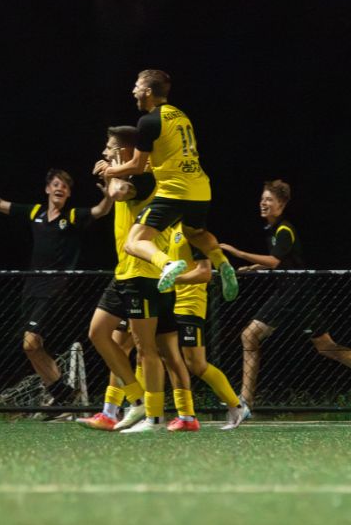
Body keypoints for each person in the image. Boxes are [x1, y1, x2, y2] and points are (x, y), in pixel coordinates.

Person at [77, 126, 197, 433]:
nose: (104, 152)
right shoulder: (128, 175)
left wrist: (111, 173)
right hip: (125, 273)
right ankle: (136, 399)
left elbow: (118, 192)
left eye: (109, 147)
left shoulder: (144, 177)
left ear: (124, 151)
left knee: (147, 350)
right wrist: (113, 173)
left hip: (143, 274)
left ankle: (154, 418)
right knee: (98, 333)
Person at [0, 166, 112, 408]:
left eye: (65, 186)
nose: (60, 188)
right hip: (31, 287)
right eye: (56, 184)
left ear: (69, 193)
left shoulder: (72, 216)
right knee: (33, 347)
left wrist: (109, 197)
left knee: (30, 343)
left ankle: (62, 394)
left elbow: (100, 210)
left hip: (54, 288)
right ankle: (63, 395)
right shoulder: (35, 212)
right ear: (47, 189)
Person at [221, 180, 351, 410]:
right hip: (297, 294)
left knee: (249, 336)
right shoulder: (273, 230)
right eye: (262, 199)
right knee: (325, 346)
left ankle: (245, 401)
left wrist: (239, 253)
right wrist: (254, 268)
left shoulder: (284, 230)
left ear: (281, 204)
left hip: (292, 294)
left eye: (269, 200)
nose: (263, 203)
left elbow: (275, 261)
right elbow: (284, 259)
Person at [100, 69, 239, 302]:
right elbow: (162, 157)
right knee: (195, 233)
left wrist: (110, 171)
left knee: (134, 242)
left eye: (136, 86)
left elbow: (136, 165)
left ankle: (167, 264)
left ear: (147, 91)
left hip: (175, 190)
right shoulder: (180, 115)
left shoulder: (148, 121)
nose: (133, 91)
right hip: (200, 187)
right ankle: (223, 263)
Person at [165, 221, 248, 430]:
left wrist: (174, 280)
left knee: (196, 364)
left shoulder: (192, 232)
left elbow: (205, 273)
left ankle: (237, 406)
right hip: (169, 303)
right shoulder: (169, 231)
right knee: (166, 357)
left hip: (189, 305)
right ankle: (180, 415)